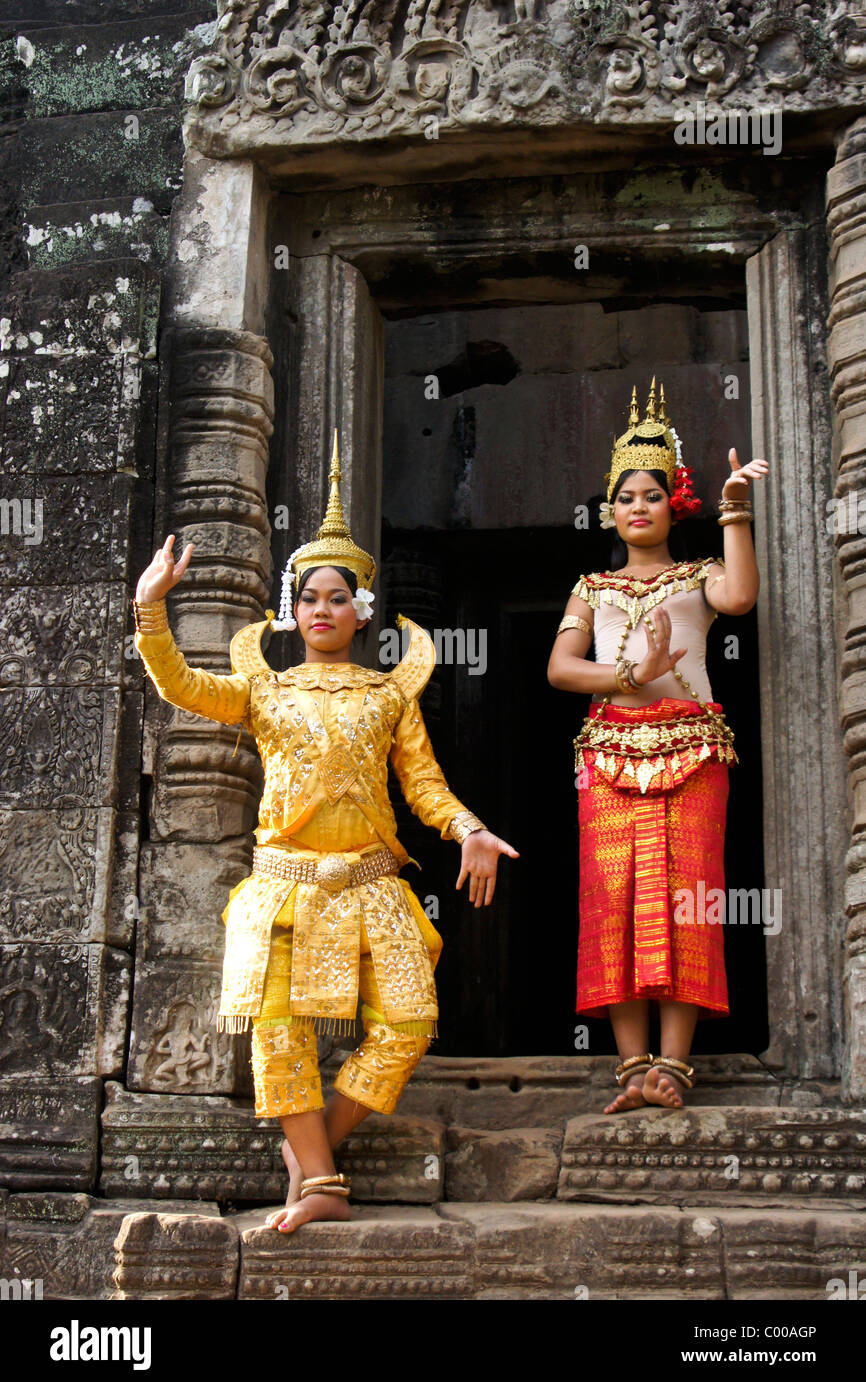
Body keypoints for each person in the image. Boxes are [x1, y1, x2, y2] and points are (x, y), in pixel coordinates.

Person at [133, 432, 518, 1230]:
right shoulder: (263, 691)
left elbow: (425, 787)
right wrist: (151, 609)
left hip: (373, 885)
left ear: (362, 610)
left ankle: (309, 1157)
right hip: (285, 887)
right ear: (291, 609)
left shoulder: (390, 695)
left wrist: (470, 829)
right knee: (278, 1031)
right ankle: (321, 1182)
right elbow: (179, 686)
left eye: (337, 598)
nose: (321, 611)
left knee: (408, 1026)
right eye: (308, 599)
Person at [548, 380, 766, 1112]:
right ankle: (630, 1065)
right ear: (609, 510)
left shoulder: (699, 577)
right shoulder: (592, 587)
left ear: (677, 503)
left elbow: (741, 597)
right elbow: (559, 670)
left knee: (685, 899)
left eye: (651, 495)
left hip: (693, 751)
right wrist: (632, 672)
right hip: (608, 754)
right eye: (624, 498)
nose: (637, 508)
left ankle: (673, 1067)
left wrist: (735, 510)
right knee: (612, 898)